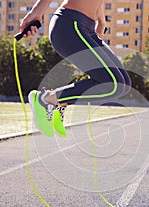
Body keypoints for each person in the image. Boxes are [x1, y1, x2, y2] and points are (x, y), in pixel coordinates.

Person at [20, 0, 131, 137]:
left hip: (87, 28)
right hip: (70, 25)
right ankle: (45, 99)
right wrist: (36, 12)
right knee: (113, 84)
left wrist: (101, 21)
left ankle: (60, 103)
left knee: (123, 84)